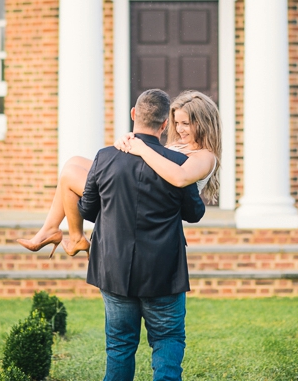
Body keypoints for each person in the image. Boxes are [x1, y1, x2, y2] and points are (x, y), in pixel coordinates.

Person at [78, 88, 205, 381]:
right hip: (163, 271)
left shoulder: (104, 156)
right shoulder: (177, 162)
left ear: (134, 115)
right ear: (165, 125)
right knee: (167, 341)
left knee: (120, 346)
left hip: (113, 268)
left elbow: (87, 209)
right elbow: (194, 213)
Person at [16, 90, 221, 257]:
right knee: (73, 162)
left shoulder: (205, 156)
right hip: (137, 185)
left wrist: (141, 148)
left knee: (70, 174)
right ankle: (52, 230)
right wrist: (127, 142)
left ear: (203, 123)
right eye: (176, 123)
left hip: (145, 197)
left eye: (186, 124)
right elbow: (151, 160)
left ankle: (75, 236)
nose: (180, 129)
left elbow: (179, 177)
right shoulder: (178, 145)